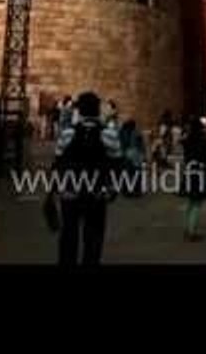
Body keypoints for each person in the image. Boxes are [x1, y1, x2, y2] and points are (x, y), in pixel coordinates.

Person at [46, 91, 122, 266]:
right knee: (94, 238)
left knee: (69, 236)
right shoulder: (109, 134)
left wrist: (53, 191)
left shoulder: (67, 133)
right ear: (98, 110)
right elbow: (117, 164)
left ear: (79, 110)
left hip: (70, 192)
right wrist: (113, 188)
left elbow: (58, 163)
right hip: (97, 193)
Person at [179, 116, 206, 241]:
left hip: (189, 171)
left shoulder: (186, 140)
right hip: (199, 173)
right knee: (197, 203)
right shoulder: (203, 140)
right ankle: (191, 232)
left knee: (190, 202)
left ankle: (187, 229)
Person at [118, 114, 146, 197]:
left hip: (127, 155)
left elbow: (121, 144)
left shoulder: (122, 131)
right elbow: (141, 145)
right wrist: (142, 155)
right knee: (136, 173)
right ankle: (136, 190)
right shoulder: (137, 132)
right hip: (135, 154)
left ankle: (127, 191)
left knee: (128, 173)